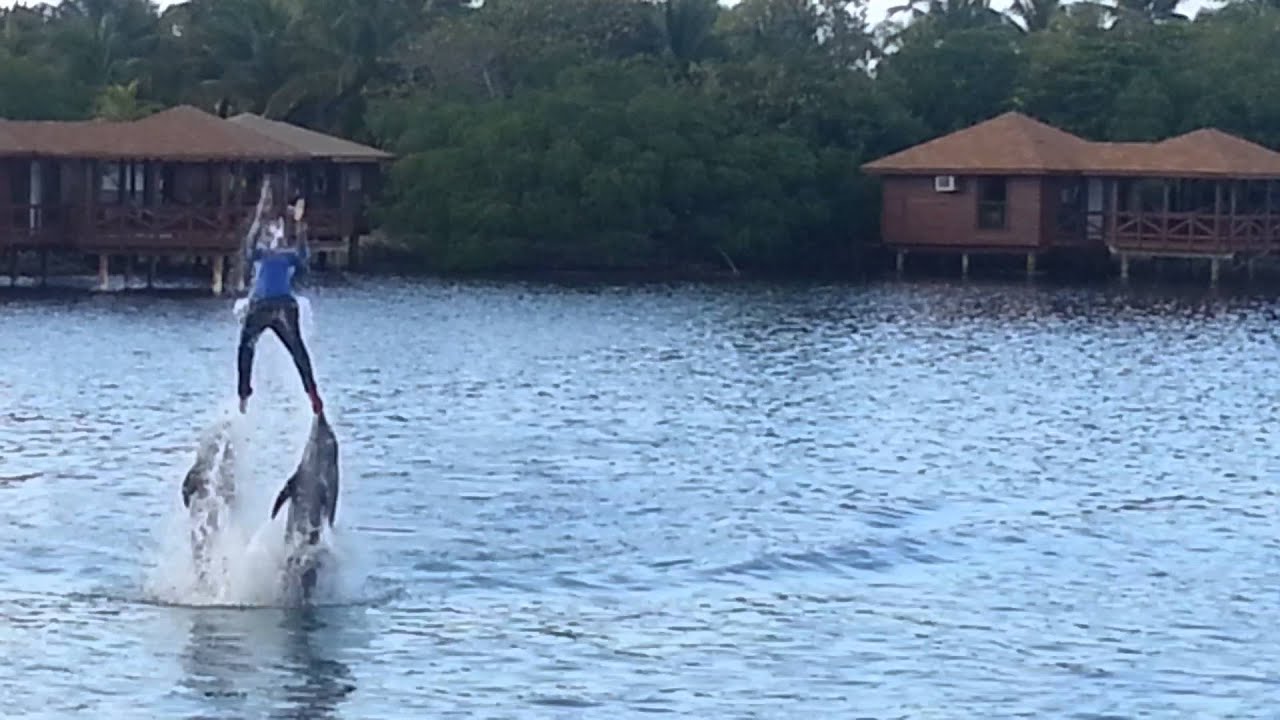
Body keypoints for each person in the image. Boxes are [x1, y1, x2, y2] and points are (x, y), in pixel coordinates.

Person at [237, 179, 324, 416]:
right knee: (298, 349)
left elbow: (248, 247)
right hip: (285, 305)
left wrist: (258, 216)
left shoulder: (266, 253)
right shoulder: (289, 254)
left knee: (246, 347)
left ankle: (243, 396)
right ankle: (313, 394)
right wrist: (301, 229)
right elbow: (304, 259)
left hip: (263, 305)